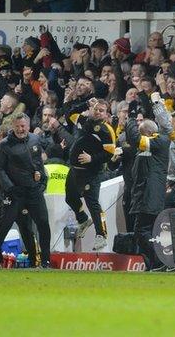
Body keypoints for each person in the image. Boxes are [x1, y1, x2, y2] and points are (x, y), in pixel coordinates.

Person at [0, 113, 51, 268]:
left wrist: (42, 182)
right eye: (17, 126)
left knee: (43, 224)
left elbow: (38, 165)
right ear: (13, 127)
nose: (20, 129)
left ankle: (45, 261)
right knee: (4, 225)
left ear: (28, 126)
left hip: (34, 192)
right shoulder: (4, 145)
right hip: (14, 193)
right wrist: (10, 187)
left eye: (23, 126)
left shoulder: (35, 140)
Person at [66, 99, 116, 251]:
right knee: (70, 198)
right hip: (74, 170)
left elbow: (110, 153)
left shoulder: (106, 130)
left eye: (102, 110)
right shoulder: (84, 121)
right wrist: (84, 103)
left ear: (106, 114)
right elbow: (69, 114)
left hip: (91, 172)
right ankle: (82, 220)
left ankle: (101, 235)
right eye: (96, 109)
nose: (98, 112)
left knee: (92, 203)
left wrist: (92, 158)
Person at [125, 115, 170, 271]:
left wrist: (129, 120)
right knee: (145, 231)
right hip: (143, 195)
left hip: (150, 195)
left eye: (140, 132)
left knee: (141, 231)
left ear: (148, 133)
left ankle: (159, 262)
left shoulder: (161, 141)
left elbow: (135, 139)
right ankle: (152, 265)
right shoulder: (148, 147)